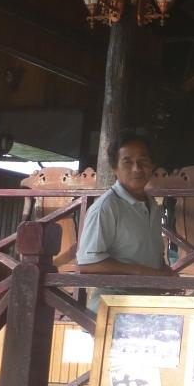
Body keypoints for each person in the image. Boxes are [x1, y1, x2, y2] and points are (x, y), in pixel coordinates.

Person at [76, 130, 174, 311]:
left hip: (148, 306)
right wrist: (141, 271)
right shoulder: (106, 207)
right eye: (127, 162)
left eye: (143, 161)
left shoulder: (152, 205)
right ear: (114, 168)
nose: (137, 168)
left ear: (152, 166)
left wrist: (163, 271)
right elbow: (87, 264)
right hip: (114, 307)